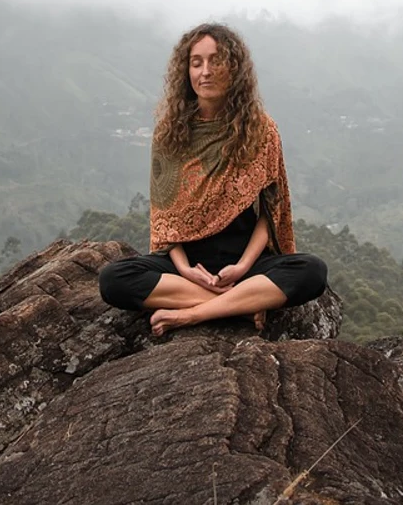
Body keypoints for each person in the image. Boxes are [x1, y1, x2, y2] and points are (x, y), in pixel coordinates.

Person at [99, 23, 328, 336]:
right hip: (188, 265)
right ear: (186, 71)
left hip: (243, 262)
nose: (205, 71)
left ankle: (194, 314)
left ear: (234, 69)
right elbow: (165, 219)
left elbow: (271, 212)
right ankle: (241, 306)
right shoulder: (170, 133)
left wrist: (244, 267)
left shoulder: (261, 131)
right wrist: (185, 269)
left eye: (216, 61)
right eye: (196, 63)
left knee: (312, 272)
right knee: (113, 280)